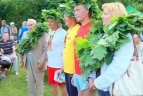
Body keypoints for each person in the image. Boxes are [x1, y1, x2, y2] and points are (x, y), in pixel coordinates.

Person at [88, 2, 134, 96]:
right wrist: (91, 77)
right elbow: (98, 60)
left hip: (114, 89)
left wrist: (98, 83)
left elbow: (119, 65)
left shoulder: (124, 36)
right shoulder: (106, 34)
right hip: (103, 87)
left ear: (114, 16)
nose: (101, 16)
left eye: (105, 13)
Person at [73, 2, 96, 96]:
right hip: (78, 73)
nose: (75, 13)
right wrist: (75, 73)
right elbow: (76, 53)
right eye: (74, 11)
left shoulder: (93, 28)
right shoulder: (80, 28)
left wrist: (91, 78)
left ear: (87, 11)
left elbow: (94, 56)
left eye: (78, 10)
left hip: (88, 75)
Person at [19, 19, 47, 96]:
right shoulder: (25, 34)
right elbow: (21, 48)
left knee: (39, 83)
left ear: (36, 25)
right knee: (30, 82)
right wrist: (21, 60)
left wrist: (41, 62)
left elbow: (46, 50)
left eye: (31, 25)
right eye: (28, 25)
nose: (29, 27)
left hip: (38, 62)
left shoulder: (42, 34)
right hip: (28, 62)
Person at [45, 9, 67, 96]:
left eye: (52, 21)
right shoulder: (50, 31)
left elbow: (66, 49)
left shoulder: (63, 33)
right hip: (51, 63)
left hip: (59, 64)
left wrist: (64, 65)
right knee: (53, 85)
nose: (49, 23)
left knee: (62, 85)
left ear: (57, 22)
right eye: (48, 21)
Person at [63, 7, 80, 96]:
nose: (63, 18)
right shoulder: (69, 30)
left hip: (73, 71)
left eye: (65, 16)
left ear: (72, 17)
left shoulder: (78, 29)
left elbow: (78, 53)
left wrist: (75, 72)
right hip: (67, 69)